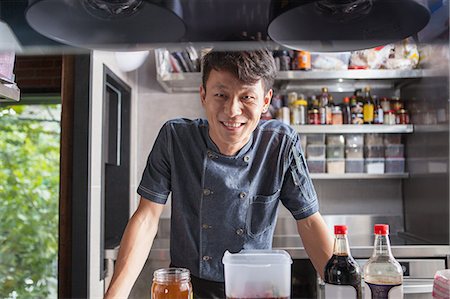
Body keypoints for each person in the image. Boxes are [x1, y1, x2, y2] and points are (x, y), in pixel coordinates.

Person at [105, 49, 333, 299]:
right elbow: (147, 218)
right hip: (189, 289)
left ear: (266, 101)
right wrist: (114, 296)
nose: (232, 110)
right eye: (220, 95)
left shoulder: (280, 144)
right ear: (203, 95)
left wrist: (342, 289)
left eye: (247, 97)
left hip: (254, 289)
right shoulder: (175, 138)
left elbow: (309, 221)